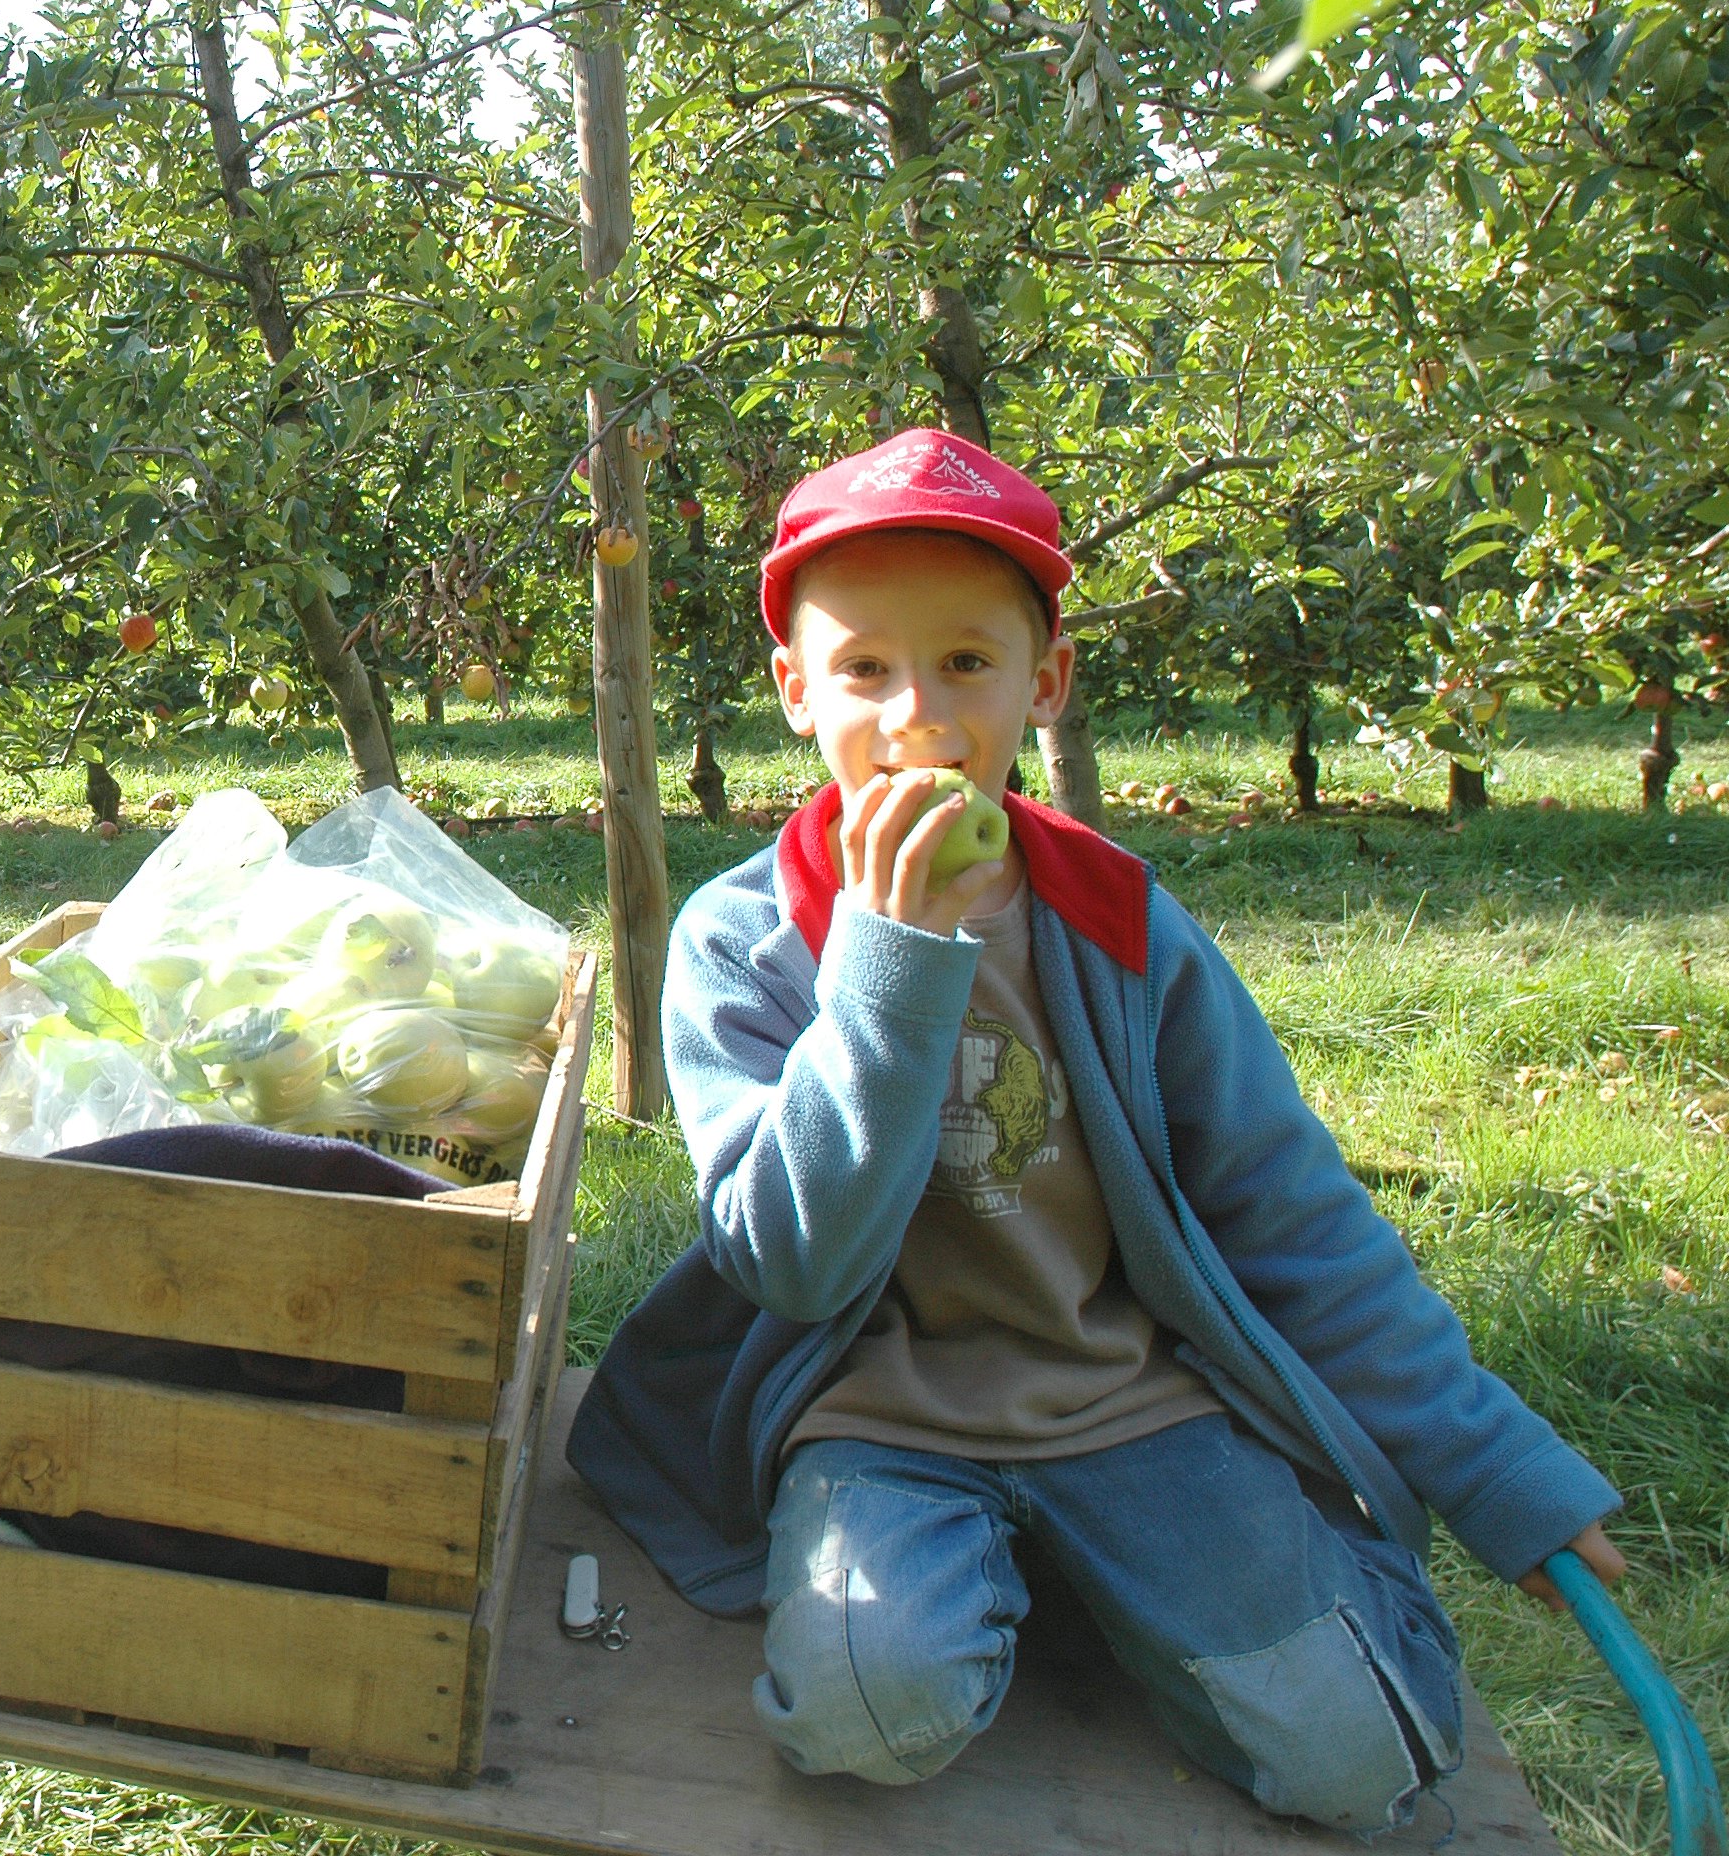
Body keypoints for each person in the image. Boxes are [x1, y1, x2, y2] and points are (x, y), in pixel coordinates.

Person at [566, 426, 1625, 1835]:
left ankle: (1198, 1566)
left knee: (1363, 1763)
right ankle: (1033, 1579)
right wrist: (888, 958)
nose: (917, 718)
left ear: (1043, 683)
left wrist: (1495, 1468)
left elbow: (1288, 1211)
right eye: (865, 670)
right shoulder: (745, 945)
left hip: (1128, 1395)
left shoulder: (1125, 934)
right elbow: (792, 1267)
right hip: (876, 1408)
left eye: (965, 665)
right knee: (867, 1719)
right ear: (795, 694)